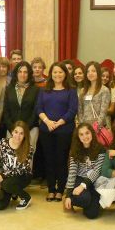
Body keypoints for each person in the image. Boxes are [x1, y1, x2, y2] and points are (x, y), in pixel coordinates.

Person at [36, 62, 78, 201]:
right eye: (55, 72)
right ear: (50, 74)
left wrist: (59, 122)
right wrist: (48, 122)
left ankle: (60, 190)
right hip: (46, 130)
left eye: (60, 72)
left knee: (61, 160)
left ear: (65, 73)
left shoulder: (71, 90)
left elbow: (72, 110)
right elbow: (39, 109)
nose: (57, 75)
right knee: (49, 160)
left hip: (64, 130)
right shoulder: (44, 90)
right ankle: (51, 189)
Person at [63, 123, 106, 219]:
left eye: (87, 133)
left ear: (92, 134)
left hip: (94, 181)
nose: (85, 137)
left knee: (92, 214)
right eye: (81, 134)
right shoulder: (75, 150)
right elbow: (72, 173)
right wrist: (68, 195)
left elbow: (97, 171)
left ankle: (88, 200)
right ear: (78, 137)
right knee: (84, 199)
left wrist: (83, 187)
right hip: (80, 179)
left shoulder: (101, 149)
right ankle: (76, 199)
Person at [0, 121, 34, 210]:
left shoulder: (29, 148)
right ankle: (13, 191)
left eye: (21, 133)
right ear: (12, 132)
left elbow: (21, 169)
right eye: (16, 132)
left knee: (6, 184)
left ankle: (26, 197)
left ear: (25, 135)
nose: (18, 136)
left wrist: (2, 176)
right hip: (5, 179)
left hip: (22, 176)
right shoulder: (4, 142)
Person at [3, 61, 40, 149]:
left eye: (25, 72)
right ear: (16, 73)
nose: (22, 74)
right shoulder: (9, 89)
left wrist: (26, 128)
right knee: (11, 157)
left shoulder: (35, 90)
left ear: (29, 74)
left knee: (28, 158)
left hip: (30, 129)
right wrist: (12, 128)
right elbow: (6, 110)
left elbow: (36, 110)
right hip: (12, 129)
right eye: (20, 72)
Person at [77, 61, 110, 131]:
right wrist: (82, 125)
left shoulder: (104, 90)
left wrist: (96, 127)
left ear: (98, 73)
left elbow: (103, 112)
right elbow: (79, 110)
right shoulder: (83, 90)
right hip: (85, 127)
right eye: (88, 71)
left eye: (93, 71)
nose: (90, 73)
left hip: (99, 128)